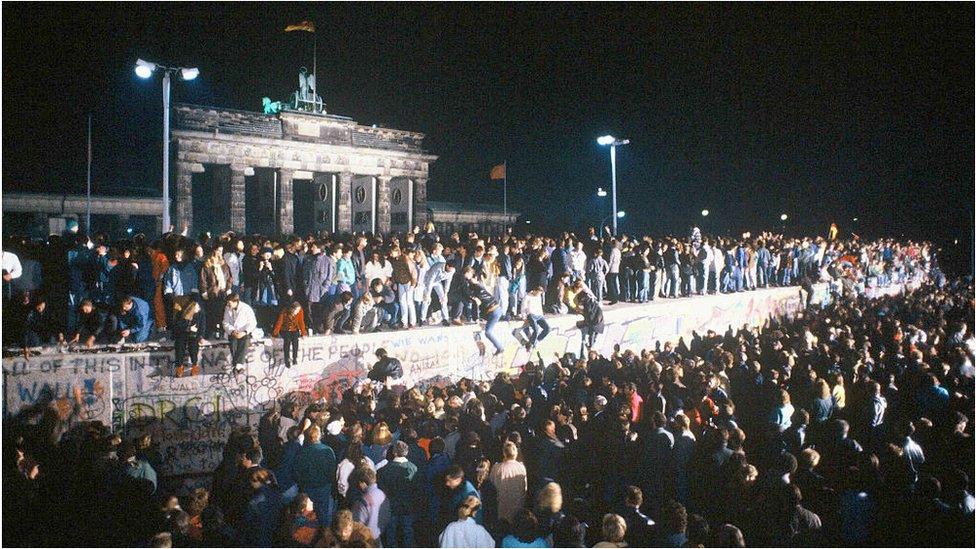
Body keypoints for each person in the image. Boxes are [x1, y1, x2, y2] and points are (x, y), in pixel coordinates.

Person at [377, 441, 418, 548]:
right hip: (408, 507)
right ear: (406, 452)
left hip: (391, 507)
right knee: (408, 534)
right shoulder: (414, 469)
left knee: (391, 535)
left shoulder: (383, 471)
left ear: (394, 452)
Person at [294, 425, 337, 528]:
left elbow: (297, 471)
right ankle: (323, 535)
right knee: (323, 515)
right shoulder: (328, 451)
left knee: (308, 515)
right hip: (323, 488)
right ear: (319, 435)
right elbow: (332, 471)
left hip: (307, 488)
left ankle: (308, 537)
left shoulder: (302, 452)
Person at [462, 266, 505, 356]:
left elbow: (476, 303)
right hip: (495, 310)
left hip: (494, 311)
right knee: (484, 325)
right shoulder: (479, 285)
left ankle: (499, 347)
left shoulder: (477, 289)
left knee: (488, 332)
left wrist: (476, 318)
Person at [489, 441, 528, 525]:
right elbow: (524, 488)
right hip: (517, 505)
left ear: (504, 452)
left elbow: (491, 486)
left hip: (501, 505)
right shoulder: (521, 468)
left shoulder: (497, 468)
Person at [200, 248, 232, 338]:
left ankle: (222, 332)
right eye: (214, 256)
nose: (216, 258)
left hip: (223, 292)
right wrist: (204, 291)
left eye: (217, 256)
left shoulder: (224, 266)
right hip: (212, 293)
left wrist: (228, 288)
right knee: (212, 314)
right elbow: (203, 280)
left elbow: (229, 277)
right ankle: (211, 332)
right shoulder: (207, 267)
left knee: (222, 313)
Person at [223, 293, 257, 372]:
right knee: (233, 343)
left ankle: (238, 364)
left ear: (235, 302)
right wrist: (232, 331)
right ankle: (238, 365)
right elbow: (225, 322)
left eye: (229, 303)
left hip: (244, 332)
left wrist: (244, 332)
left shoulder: (246, 308)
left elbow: (253, 322)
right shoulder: (227, 308)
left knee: (245, 341)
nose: (228, 304)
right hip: (233, 332)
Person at [272, 301, 308, 369]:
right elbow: (279, 322)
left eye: (298, 310)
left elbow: (301, 322)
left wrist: (303, 333)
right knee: (287, 340)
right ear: (292, 309)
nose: (297, 312)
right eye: (296, 310)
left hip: (294, 329)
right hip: (285, 329)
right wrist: (274, 333)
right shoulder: (285, 311)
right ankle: (287, 358)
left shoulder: (300, 311)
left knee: (295, 340)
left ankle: (294, 358)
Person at [172, 300, 203, 377]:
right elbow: (178, 326)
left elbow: (202, 326)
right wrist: (188, 328)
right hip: (183, 333)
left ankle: (194, 365)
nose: (198, 308)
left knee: (194, 346)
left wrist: (200, 336)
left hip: (194, 335)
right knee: (179, 345)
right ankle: (179, 366)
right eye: (197, 307)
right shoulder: (182, 314)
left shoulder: (200, 314)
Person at [512, 286, 549, 350]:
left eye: (539, 294)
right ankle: (531, 344)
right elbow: (523, 307)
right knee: (536, 330)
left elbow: (539, 306)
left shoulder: (539, 297)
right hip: (531, 315)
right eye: (537, 293)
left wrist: (542, 315)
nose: (538, 295)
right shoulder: (527, 296)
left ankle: (537, 340)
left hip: (539, 315)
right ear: (534, 291)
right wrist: (524, 317)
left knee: (547, 328)